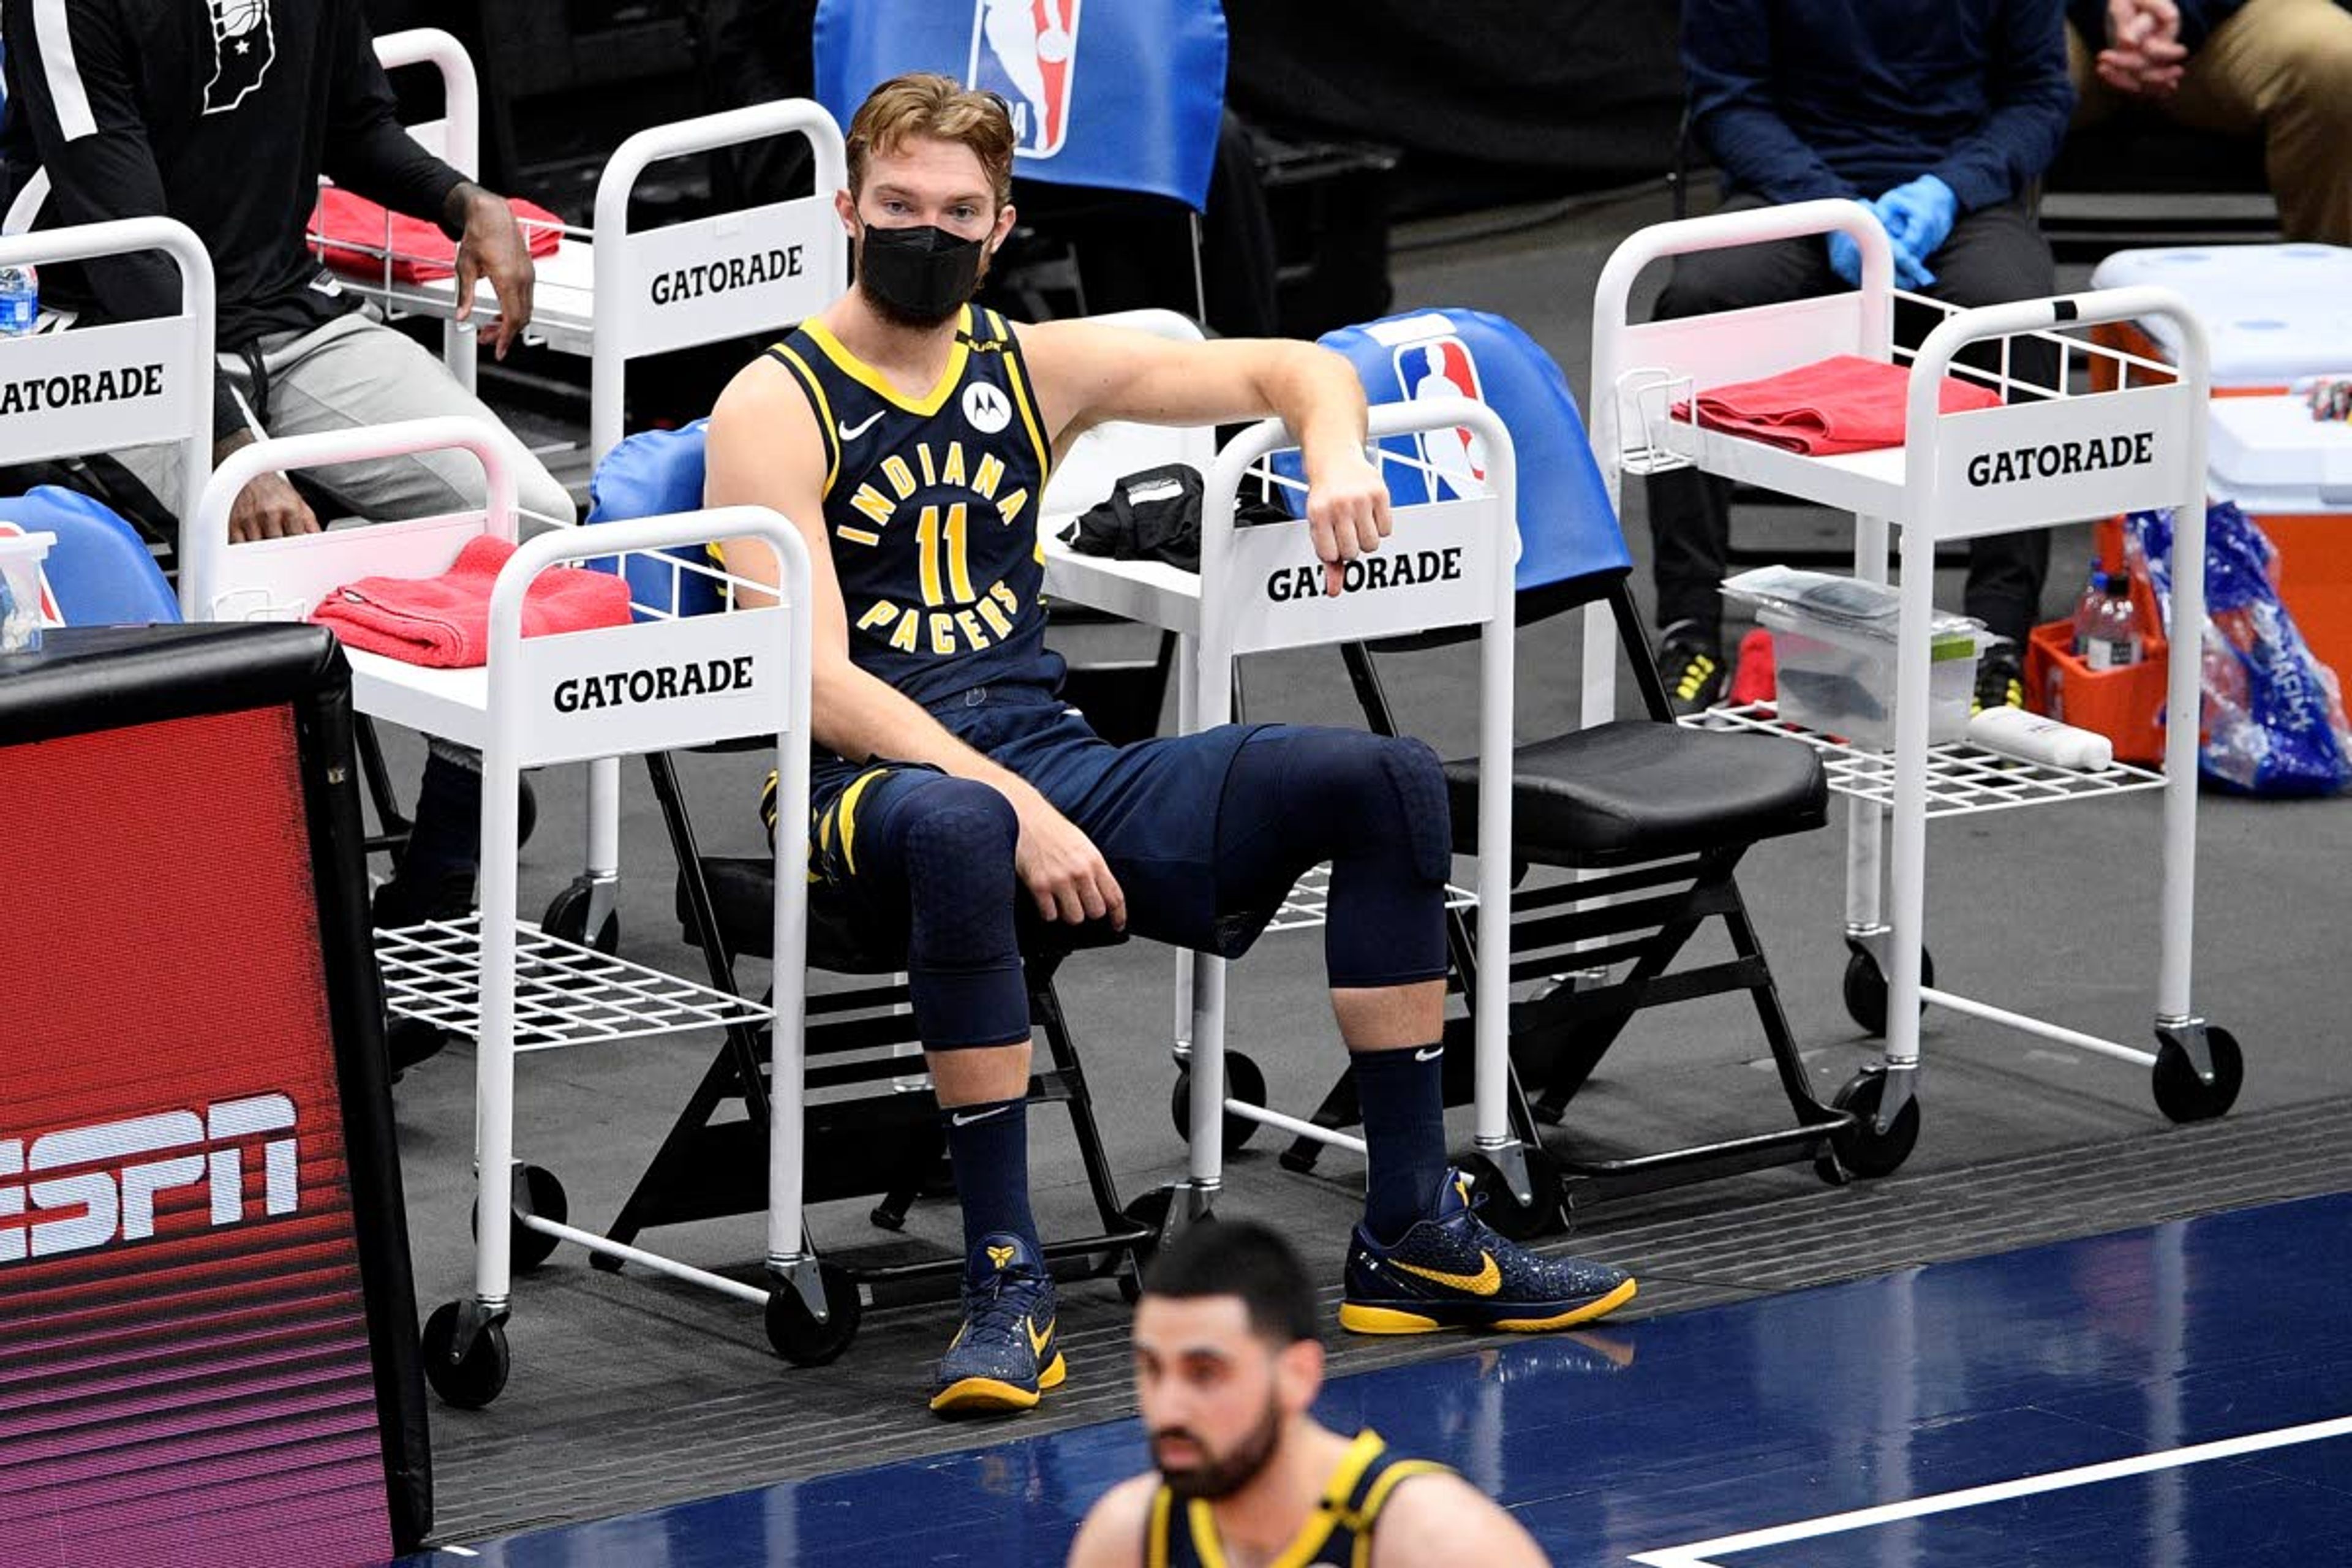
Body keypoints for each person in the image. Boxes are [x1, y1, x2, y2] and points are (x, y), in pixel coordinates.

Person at [705, 72, 1637, 1418]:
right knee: (967, 827)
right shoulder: (775, 403)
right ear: (847, 208)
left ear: (1002, 226)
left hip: (1043, 750)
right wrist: (1007, 798)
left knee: (1384, 780)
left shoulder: (1026, 365)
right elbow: (810, 677)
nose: (926, 229)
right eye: (898, 204)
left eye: (956, 210)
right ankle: (1006, 1289)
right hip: (856, 785)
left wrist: (1335, 451)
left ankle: (1413, 1228)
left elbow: (1296, 363)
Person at [1, 0, 579, 936]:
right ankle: (254, 909)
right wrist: (233, 444)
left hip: (289, 315)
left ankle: (446, 860)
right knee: (249, 576)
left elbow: (355, 125)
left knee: (536, 527)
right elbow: (128, 240)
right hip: (106, 333)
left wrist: (465, 200)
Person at [1653, 0, 2075, 717]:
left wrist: (1949, 189)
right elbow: (1728, 101)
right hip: (1793, 191)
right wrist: (1833, 207)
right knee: (1697, 307)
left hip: (1956, 197)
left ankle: (2000, 634)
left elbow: (2039, 96)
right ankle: (1689, 623)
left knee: (2016, 322)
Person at [1065, 1220, 1552, 1568]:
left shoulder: (1438, 1542)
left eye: (1205, 1374)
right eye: (1152, 1369)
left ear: (1297, 1375)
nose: (1167, 1406)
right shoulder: (1129, 1537)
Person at [2064, 0, 2352, 246]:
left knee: (2337, 61)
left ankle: (2329, 290)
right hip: (2050, 17)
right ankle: (2020, 291)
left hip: (2238, 12)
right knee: (2021, 70)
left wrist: (2181, 11)